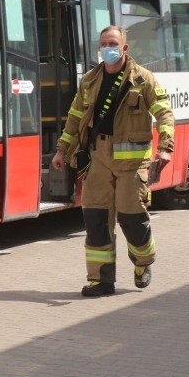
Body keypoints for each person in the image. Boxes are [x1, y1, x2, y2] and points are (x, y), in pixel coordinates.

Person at [51, 25, 174, 297]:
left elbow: (165, 114)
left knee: (132, 219)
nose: (108, 48)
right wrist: (62, 150)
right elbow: (74, 117)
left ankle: (143, 261)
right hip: (98, 160)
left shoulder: (143, 79)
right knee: (96, 219)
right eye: (104, 43)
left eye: (113, 43)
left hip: (132, 164)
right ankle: (100, 280)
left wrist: (165, 148)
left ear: (124, 48)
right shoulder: (89, 81)